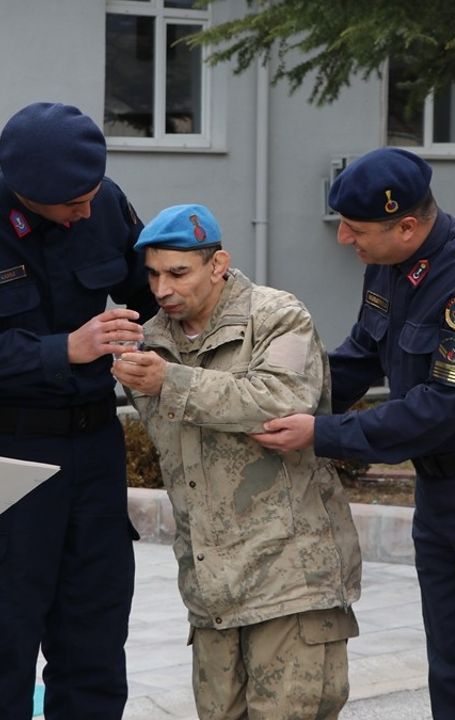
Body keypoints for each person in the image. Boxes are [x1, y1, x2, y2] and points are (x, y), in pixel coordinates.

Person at [254, 147, 455, 719]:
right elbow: (360, 357)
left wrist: (321, 433)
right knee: (450, 673)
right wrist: (273, 395)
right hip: (445, 494)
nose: (343, 240)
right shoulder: (390, 264)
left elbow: (438, 407)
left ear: (407, 226)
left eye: (355, 229)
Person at [0, 101, 157, 719]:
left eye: (91, 195)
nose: (86, 210)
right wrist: (66, 350)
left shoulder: (102, 202)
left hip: (95, 453)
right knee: (2, 656)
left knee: (97, 651)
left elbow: (150, 293)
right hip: (8, 456)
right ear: (27, 193)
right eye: (71, 205)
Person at [112, 203, 363, 719]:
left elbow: (281, 401)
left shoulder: (277, 316)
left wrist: (171, 382)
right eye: (154, 274)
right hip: (212, 585)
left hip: (290, 578)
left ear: (218, 264)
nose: (162, 289)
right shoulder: (154, 339)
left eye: (178, 273)